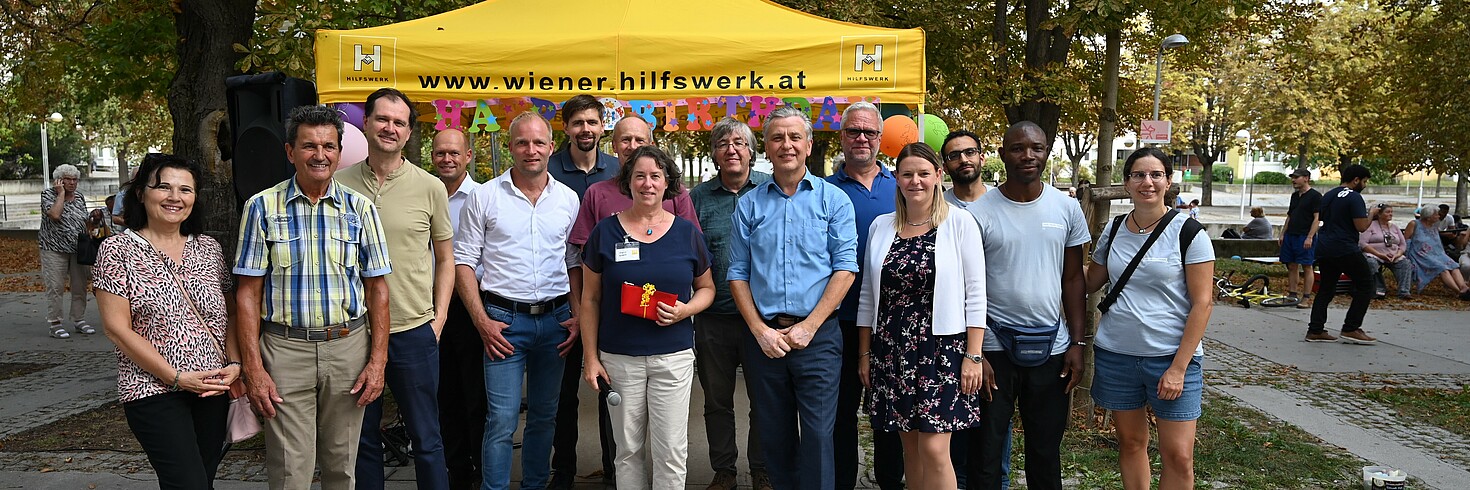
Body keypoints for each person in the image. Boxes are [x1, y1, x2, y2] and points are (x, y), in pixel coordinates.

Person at [234, 105, 394, 490]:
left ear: (339, 152)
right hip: (285, 351)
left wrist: (378, 361)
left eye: (328, 146)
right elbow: (247, 295)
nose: (319, 155)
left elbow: (378, 289)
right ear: (290, 152)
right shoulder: (261, 208)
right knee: (291, 472)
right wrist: (253, 370)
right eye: (309, 146)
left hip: (348, 348)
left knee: (342, 468)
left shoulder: (361, 209)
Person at [728, 106, 857, 489]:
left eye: (794, 137)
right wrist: (759, 331)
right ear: (765, 147)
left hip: (818, 339)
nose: (786, 145)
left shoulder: (833, 201)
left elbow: (845, 268)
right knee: (775, 437)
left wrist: (810, 326)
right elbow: (737, 273)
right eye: (778, 138)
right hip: (765, 340)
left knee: (819, 437)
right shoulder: (749, 204)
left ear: (809, 144)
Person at [564, 114, 697, 488]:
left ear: (667, 182)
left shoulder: (686, 231)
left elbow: (706, 287)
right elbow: (589, 299)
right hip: (620, 356)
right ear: (628, 181)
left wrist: (686, 309)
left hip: (672, 355)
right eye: (639, 176)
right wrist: (591, 358)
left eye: (655, 176)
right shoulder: (606, 230)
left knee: (671, 451)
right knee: (627, 451)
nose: (647, 183)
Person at [93, 153, 240, 489]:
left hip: (212, 388)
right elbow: (116, 329)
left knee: (202, 479)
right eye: (164, 187)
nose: (175, 197)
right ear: (142, 193)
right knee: (187, 482)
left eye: (185, 190)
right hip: (153, 390)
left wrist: (236, 362)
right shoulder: (117, 251)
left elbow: (230, 312)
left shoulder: (209, 249)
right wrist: (175, 377)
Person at [453, 112, 580, 490]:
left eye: (539, 142)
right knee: (501, 421)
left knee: (545, 416)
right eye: (522, 142)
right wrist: (480, 320)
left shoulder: (568, 199)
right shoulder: (485, 196)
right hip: (503, 322)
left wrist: (575, 314)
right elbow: (463, 262)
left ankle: (535, 486)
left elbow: (574, 262)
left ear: (551, 147)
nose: (531, 150)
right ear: (510, 147)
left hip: (556, 322)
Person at [962, 121, 1090, 490]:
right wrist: (975, 353)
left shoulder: (1066, 208)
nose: (1028, 155)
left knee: (1046, 452)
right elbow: (967, 287)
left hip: (1052, 348)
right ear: (1002, 155)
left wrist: (1077, 344)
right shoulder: (978, 213)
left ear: (1047, 152)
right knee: (985, 451)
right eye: (1018, 148)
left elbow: (1073, 279)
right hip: (993, 350)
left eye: (1036, 148)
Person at [338, 88, 454, 490]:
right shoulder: (337, 184)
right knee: (361, 438)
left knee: (426, 438)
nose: (390, 127)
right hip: (352, 333)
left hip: (412, 330)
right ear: (365, 124)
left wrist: (437, 321)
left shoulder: (429, 187)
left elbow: (446, 259)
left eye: (399, 122)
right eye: (382, 119)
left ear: (408, 133)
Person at [856, 143, 987, 490]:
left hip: (941, 350)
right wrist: (865, 353)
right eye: (908, 174)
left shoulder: (959, 223)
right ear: (896, 179)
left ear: (938, 177)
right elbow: (869, 297)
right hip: (892, 349)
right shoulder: (881, 227)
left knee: (934, 448)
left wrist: (973, 356)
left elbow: (976, 295)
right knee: (910, 449)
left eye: (923, 173)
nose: (916, 181)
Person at [1084, 148, 1214, 490]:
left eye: (1156, 174)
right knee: (1130, 443)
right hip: (1117, 356)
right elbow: (1088, 281)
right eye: (1138, 175)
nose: (1147, 182)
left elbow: (1202, 304)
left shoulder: (1189, 233)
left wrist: (1178, 368)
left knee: (1179, 456)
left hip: (1171, 359)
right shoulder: (1113, 231)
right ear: (1126, 183)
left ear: (1168, 181)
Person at [688, 117, 773, 490]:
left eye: (739, 143)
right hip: (714, 317)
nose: (732, 149)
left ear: (753, 152)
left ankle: (762, 469)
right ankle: (724, 470)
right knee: (717, 401)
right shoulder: (697, 199)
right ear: (715, 155)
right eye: (723, 144)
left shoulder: (771, 192)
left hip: (764, 318)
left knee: (765, 400)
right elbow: (687, 254)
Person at [547, 95, 623, 490]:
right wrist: (576, 309)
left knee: (609, 389)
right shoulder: (547, 170)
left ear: (603, 125)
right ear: (567, 127)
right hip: (561, 300)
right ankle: (563, 471)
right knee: (563, 396)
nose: (586, 129)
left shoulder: (617, 171)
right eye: (578, 122)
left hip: (608, 305)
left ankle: (615, 469)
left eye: (592, 122)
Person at [823, 101, 900, 490]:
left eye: (870, 132)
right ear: (842, 136)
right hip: (839, 321)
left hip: (893, 324)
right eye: (854, 131)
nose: (862, 138)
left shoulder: (901, 186)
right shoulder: (822, 191)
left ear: (880, 139)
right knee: (840, 413)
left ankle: (890, 481)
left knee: (888, 412)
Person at [940, 129, 1001, 489]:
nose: (963, 159)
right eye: (953, 155)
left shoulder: (1001, 203)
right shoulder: (938, 208)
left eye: (969, 152)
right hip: (952, 339)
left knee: (993, 440)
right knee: (951, 441)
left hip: (997, 338)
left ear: (981, 156)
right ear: (945, 165)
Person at [433, 128, 487, 490]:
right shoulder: (424, 192)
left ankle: (484, 471)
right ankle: (457, 474)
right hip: (431, 308)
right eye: (440, 153)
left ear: (468, 156)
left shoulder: (483, 197)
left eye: (454, 153)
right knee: (443, 396)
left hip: (471, 308)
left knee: (477, 398)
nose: (447, 159)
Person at [1303, 164, 1378, 344]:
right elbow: (1361, 227)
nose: (1365, 185)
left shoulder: (1329, 194)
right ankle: (1351, 327)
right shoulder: (1354, 197)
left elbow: (1321, 218)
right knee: (1366, 284)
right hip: (1344, 247)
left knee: (1326, 288)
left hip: (1325, 246)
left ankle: (1315, 329)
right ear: (1356, 180)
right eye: (1365, 181)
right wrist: (1372, 214)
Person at [39, 163, 95, 339]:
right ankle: (55, 323)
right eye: (67, 180)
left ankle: (79, 319)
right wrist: (61, 194)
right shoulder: (48, 195)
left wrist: (92, 221)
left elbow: (84, 220)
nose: (72, 183)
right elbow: (55, 215)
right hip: (53, 248)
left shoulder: (79, 197)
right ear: (59, 181)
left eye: (74, 180)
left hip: (78, 248)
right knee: (55, 286)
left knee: (80, 286)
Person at [1403, 205, 1470, 299]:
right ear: (1429, 216)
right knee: (1442, 268)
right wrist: (1408, 255)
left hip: (1437, 254)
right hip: (1420, 255)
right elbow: (1406, 240)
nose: (1439, 216)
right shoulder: (1414, 224)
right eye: (1436, 215)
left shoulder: (1434, 226)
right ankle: (1458, 292)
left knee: (1454, 266)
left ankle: (1464, 288)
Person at [1280, 168, 1320, 308]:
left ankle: (1306, 297)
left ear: (1306, 178)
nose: (1293, 180)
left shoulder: (1315, 196)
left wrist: (1310, 237)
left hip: (1304, 235)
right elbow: (1290, 216)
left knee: (1307, 266)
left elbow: (1317, 219)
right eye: (1292, 177)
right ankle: (1292, 294)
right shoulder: (1295, 196)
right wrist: (1283, 233)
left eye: (1296, 177)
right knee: (1291, 265)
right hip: (1291, 234)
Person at [1360, 203, 1413, 300]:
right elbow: (1363, 243)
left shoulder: (1394, 227)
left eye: (1392, 212)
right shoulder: (1370, 226)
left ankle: (1404, 291)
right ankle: (1378, 289)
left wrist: (1397, 254)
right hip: (1374, 254)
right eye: (1388, 212)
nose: (1391, 214)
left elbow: (1402, 244)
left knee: (1405, 264)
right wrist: (1379, 254)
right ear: (1379, 214)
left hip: (1393, 255)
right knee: (1370, 263)